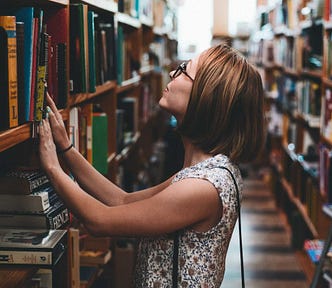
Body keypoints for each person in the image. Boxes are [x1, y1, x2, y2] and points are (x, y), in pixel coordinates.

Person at [39, 43, 265, 287]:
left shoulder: (202, 187)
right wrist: (66, 149)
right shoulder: (205, 172)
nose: (171, 74)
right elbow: (121, 201)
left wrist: (52, 166)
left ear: (206, 96)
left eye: (183, 70)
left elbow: (99, 220)